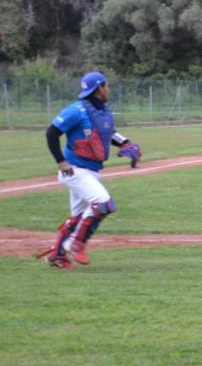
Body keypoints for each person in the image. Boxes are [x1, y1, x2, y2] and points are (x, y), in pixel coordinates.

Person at [36, 71, 142, 268]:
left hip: (91, 171)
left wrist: (125, 143)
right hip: (74, 170)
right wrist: (61, 161)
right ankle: (75, 244)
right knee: (104, 204)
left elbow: (108, 133)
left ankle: (57, 254)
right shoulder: (76, 110)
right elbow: (51, 133)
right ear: (100, 88)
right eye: (106, 86)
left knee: (78, 217)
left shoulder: (102, 111)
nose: (108, 89)